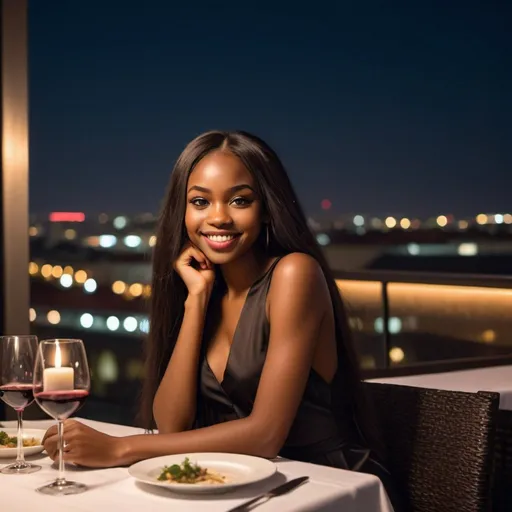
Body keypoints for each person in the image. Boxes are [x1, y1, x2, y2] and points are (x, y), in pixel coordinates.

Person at [42, 130, 399, 506]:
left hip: (322, 487)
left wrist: (120, 449)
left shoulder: (295, 274)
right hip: (237, 486)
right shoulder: (209, 290)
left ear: (266, 210)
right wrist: (196, 300)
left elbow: (265, 436)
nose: (218, 218)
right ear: (183, 212)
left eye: (240, 200)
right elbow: (171, 424)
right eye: (200, 201)